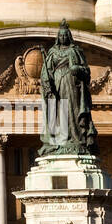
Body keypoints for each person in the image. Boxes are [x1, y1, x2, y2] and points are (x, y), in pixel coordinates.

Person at [38, 20, 98, 156]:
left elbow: (86, 71)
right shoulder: (52, 52)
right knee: (58, 112)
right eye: (61, 36)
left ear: (69, 36)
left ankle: (75, 138)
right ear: (58, 37)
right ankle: (60, 139)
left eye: (65, 35)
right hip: (57, 84)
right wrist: (48, 86)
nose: (63, 38)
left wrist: (78, 69)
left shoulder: (75, 51)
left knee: (72, 111)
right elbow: (46, 72)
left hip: (72, 85)